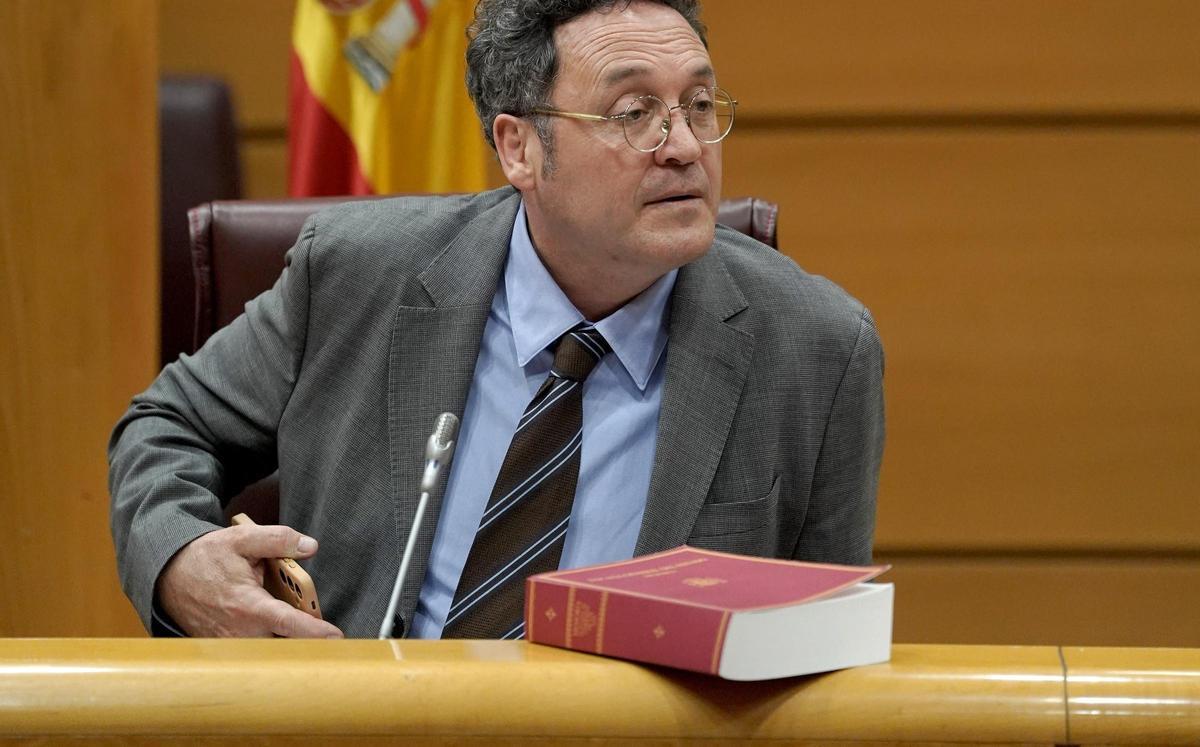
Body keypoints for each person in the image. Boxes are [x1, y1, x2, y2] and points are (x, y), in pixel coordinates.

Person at [109, 0, 884, 639]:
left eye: (699, 105)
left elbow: (820, 656)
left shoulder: (817, 349)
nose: (682, 145)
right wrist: (180, 560)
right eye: (633, 112)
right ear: (519, 148)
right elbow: (164, 424)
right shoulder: (354, 275)